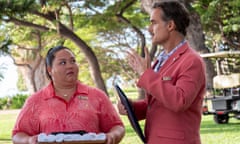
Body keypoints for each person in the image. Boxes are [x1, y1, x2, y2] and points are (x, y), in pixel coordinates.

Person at [117, 1, 206, 144]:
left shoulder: (192, 61)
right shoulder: (160, 60)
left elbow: (179, 101)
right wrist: (131, 107)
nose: (149, 28)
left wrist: (146, 74)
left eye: (154, 23)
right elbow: (156, 103)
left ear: (170, 25)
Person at [12, 45, 125, 144]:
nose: (70, 66)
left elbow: (117, 126)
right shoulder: (35, 101)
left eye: (73, 61)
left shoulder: (97, 96)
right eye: (62, 63)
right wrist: (28, 140)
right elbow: (18, 134)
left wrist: (113, 136)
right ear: (50, 70)